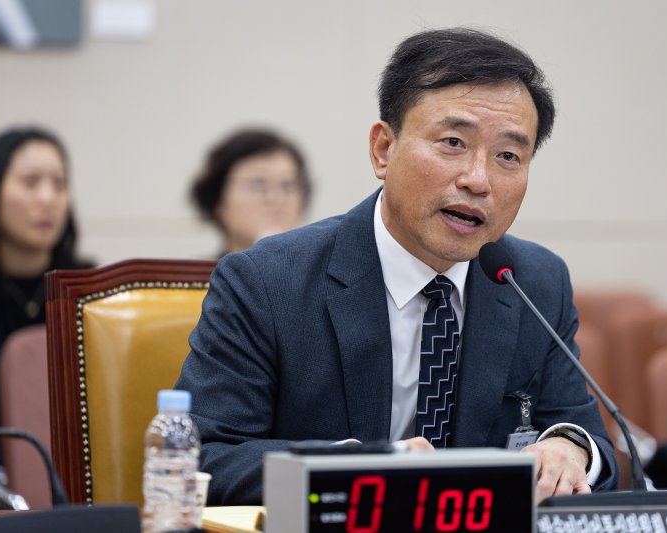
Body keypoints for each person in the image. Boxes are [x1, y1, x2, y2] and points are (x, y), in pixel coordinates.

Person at [176, 27, 619, 505]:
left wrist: (570, 449)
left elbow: (587, 438)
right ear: (383, 149)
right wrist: (358, 468)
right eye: (453, 142)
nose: (478, 180)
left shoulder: (534, 282)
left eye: (508, 155)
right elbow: (204, 457)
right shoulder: (267, 282)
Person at [0, 126, 91, 463]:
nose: (48, 198)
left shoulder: (89, 289)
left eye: (59, 184)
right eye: (30, 182)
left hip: (72, 471)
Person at [189, 128, 312, 256]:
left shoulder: (319, 268)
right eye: (257, 185)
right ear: (217, 199)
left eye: (287, 186)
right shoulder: (195, 269)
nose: (275, 198)